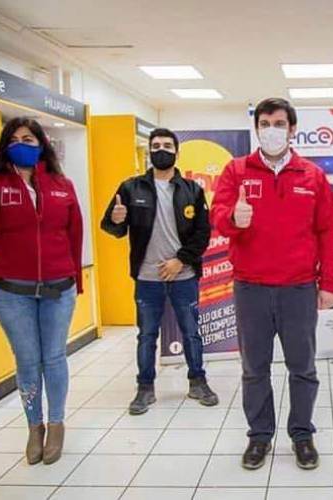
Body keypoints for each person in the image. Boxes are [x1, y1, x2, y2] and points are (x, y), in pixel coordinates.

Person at [211, 98, 333, 471]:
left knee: (303, 368)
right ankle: (259, 435)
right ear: (256, 129)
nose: (272, 130)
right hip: (250, 288)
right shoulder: (236, 171)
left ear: (292, 129)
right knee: (254, 368)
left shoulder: (312, 176)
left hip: (298, 289)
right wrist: (234, 218)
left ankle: (302, 434)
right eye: (265, 123)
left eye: (279, 123)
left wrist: (330, 282)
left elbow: (328, 232)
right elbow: (218, 217)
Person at [0, 117, 83, 466]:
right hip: (11, 291)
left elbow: (75, 234)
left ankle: (56, 423)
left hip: (58, 287)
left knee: (54, 357)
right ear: (5, 147)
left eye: (28, 138)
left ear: (41, 144)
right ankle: (34, 426)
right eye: (14, 139)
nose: (21, 144)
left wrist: (77, 278)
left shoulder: (62, 185)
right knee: (28, 360)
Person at [101, 128, 216, 414]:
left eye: (167, 145)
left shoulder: (192, 189)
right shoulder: (130, 188)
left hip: (183, 275)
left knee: (191, 333)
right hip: (147, 278)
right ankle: (145, 388)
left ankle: (198, 382)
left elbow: (203, 233)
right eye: (155, 146)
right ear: (149, 151)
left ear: (177, 152)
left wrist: (180, 260)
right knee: (146, 335)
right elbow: (111, 226)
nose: (161, 150)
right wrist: (116, 220)